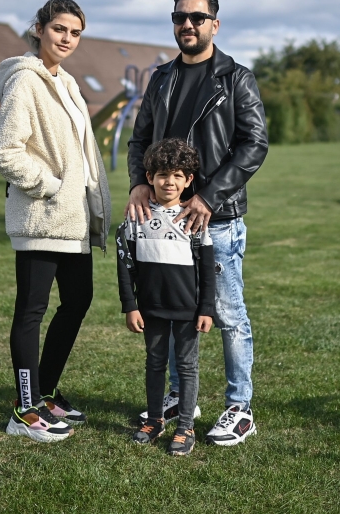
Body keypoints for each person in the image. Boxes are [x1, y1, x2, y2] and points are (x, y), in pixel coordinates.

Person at [126, 0, 268, 446]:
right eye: (180, 17)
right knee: (168, 310)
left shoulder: (235, 78)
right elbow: (139, 140)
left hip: (216, 218)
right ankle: (177, 395)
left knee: (227, 313)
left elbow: (254, 144)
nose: (187, 25)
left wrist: (207, 196)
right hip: (163, 221)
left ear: (214, 24)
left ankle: (239, 407)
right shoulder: (162, 78)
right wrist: (138, 184)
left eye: (197, 18)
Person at [0, 0, 111, 443]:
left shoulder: (68, 83)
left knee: (78, 301)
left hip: (73, 221)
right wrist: (52, 186)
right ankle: (24, 410)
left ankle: (45, 392)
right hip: (43, 216)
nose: (67, 39)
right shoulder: (25, 81)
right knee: (32, 310)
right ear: (39, 28)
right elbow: (5, 150)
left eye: (75, 32)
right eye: (60, 28)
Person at [118, 138, 215, 456]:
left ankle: (185, 427)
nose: (168, 181)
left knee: (187, 366)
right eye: (161, 174)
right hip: (150, 308)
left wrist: (206, 309)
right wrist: (130, 306)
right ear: (149, 177)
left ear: (188, 180)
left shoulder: (195, 220)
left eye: (177, 175)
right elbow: (125, 266)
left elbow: (206, 272)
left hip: (188, 309)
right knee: (155, 363)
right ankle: (155, 420)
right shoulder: (136, 216)